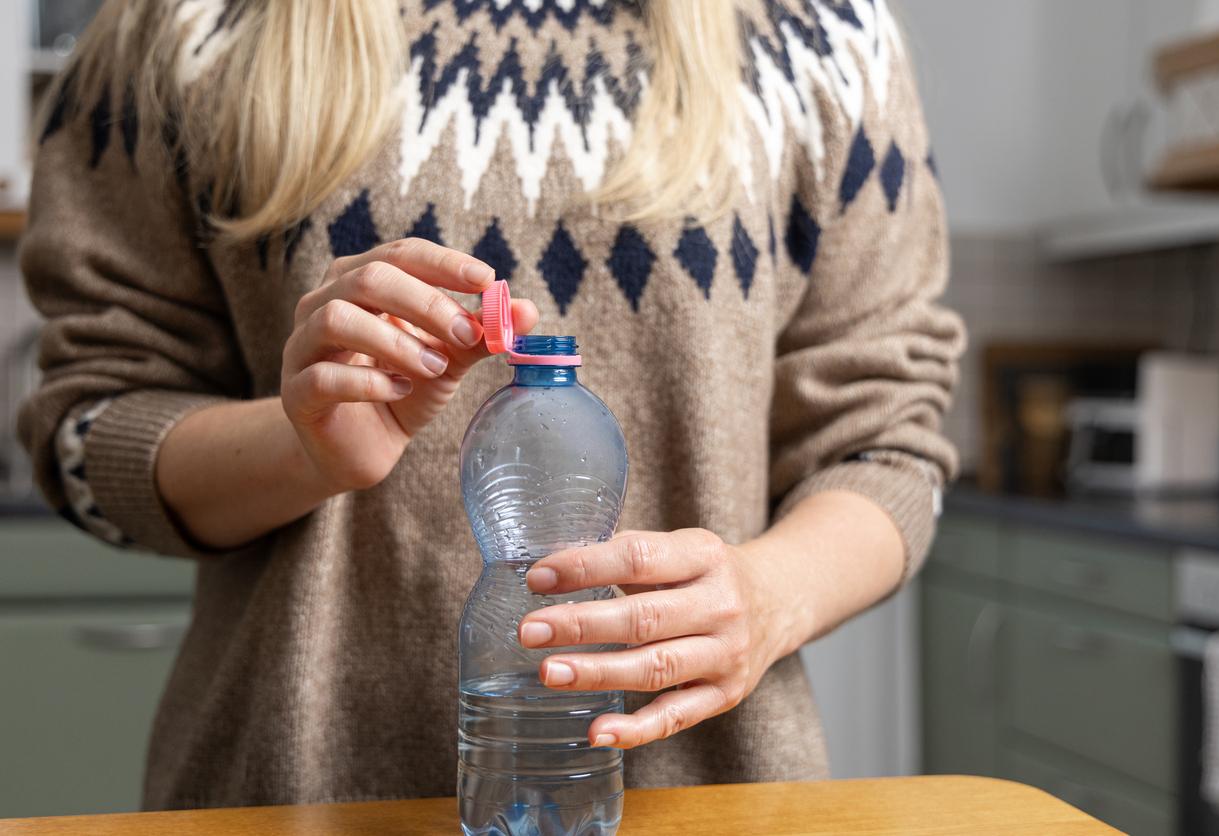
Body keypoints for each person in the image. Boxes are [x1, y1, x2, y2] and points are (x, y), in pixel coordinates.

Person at [19, 0, 964, 811]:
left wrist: (769, 597)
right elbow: (89, 426)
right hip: (286, 798)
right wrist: (302, 448)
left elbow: (889, 443)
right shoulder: (187, 24)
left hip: (708, 797)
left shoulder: (823, 34)